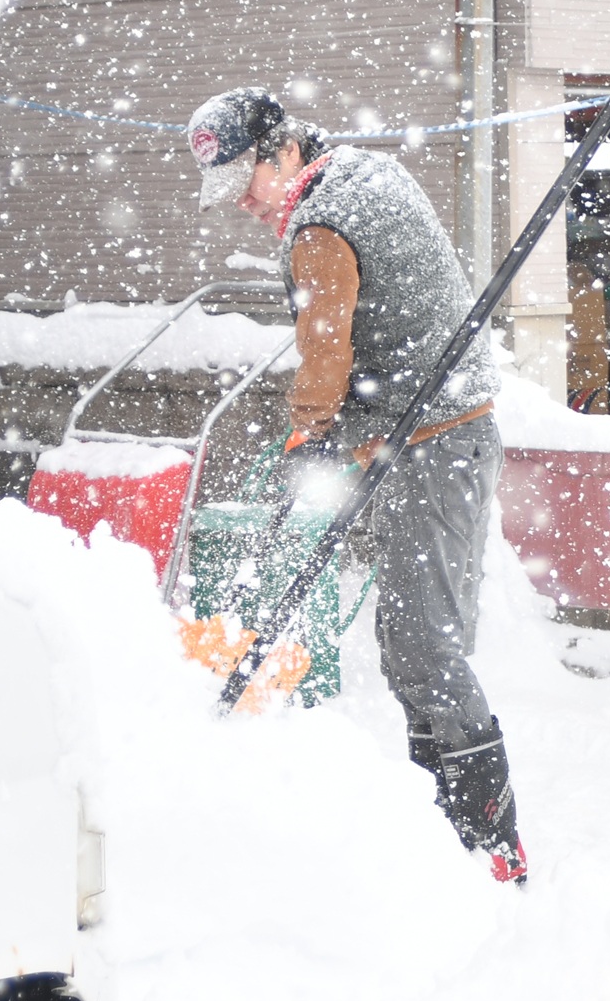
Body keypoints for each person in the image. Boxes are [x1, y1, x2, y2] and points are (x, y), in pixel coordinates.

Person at [185, 87, 526, 885]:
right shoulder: (364, 175)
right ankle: (441, 830)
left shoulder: (319, 226)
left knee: (424, 647)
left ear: (282, 150)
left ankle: (490, 840)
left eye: (245, 181)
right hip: (441, 431)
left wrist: (308, 438)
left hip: (433, 441)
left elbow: (326, 349)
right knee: (412, 642)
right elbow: (394, 317)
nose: (243, 203)